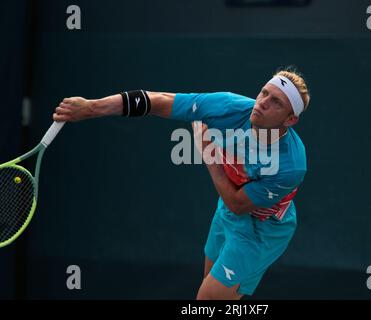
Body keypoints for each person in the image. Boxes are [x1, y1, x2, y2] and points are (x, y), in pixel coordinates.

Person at [53, 68, 310, 300]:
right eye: (264, 92)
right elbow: (158, 101)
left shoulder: (291, 165)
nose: (262, 103)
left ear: (289, 119)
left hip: (262, 230)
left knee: (208, 299)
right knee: (210, 289)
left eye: (275, 102)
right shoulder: (230, 106)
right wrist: (91, 108)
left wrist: (207, 153)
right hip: (227, 212)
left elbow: (238, 204)